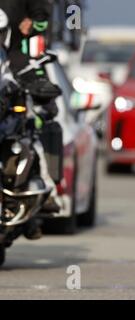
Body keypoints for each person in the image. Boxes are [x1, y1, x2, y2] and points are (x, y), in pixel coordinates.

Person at [0, 4, 61, 240]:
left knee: (42, 118)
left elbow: (43, 20)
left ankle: (46, 188)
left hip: (20, 73)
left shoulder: (15, 56)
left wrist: (33, 24)